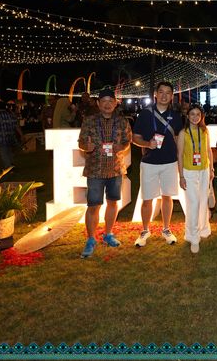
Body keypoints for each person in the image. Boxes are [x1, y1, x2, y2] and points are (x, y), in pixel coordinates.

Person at [77, 87, 132, 258]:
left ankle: (108, 234)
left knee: (113, 202)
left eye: (110, 101)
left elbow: (127, 141)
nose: (107, 104)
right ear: (98, 103)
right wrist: (86, 146)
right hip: (95, 169)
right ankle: (91, 239)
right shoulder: (89, 121)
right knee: (93, 205)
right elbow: (81, 142)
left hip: (115, 169)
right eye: (104, 101)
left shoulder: (122, 121)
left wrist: (121, 146)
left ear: (115, 103)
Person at [132, 82, 183, 247]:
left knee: (167, 196)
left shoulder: (176, 116)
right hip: (149, 162)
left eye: (168, 93)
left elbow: (179, 139)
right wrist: (147, 144)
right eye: (161, 92)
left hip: (170, 162)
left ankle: (166, 229)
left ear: (172, 96)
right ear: (156, 94)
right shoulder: (145, 114)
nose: (164, 95)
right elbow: (135, 138)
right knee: (147, 198)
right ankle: (145, 230)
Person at [176, 103, 213, 254]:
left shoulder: (204, 131)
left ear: (201, 116)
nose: (195, 117)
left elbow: (208, 150)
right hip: (189, 171)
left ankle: (203, 228)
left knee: (203, 200)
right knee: (193, 203)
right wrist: (181, 175)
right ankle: (192, 236)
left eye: (198, 114)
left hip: (204, 170)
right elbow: (179, 155)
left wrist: (211, 168)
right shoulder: (183, 133)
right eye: (192, 114)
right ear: (187, 116)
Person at [0, 100, 22, 169]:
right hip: (11, 137)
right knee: (9, 152)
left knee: (4, 153)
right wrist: (21, 135)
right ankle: (11, 164)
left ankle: (8, 167)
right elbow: (16, 126)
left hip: (1, 138)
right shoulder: (10, 115)